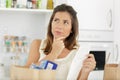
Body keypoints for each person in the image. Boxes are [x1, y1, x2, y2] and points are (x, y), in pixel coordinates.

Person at [25, 4, 96, 80]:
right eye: (56, 20)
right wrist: (53, 54)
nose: (59, 26)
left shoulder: (78, 52)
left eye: (65, 22)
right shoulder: (37, 44)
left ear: (72, 28)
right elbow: (26, 75)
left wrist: (86, 72)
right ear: (51, 23)